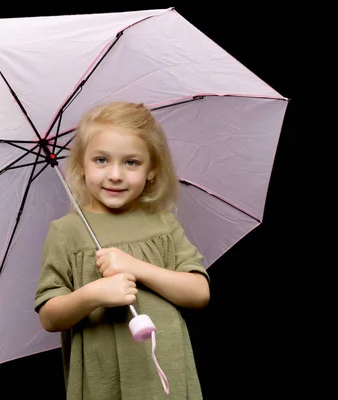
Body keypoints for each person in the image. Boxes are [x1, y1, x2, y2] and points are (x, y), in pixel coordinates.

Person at [34, 101, 210, 399]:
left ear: (152, 169)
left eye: (131, 162)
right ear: (80, 165)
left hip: (166, 373)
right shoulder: (67, 233)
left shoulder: (163, 224)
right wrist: (94, 294)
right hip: (103, 379)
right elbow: (50, 317)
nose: (115, 175)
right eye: (101, 160)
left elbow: (199, 293)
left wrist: (136, 267)